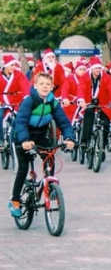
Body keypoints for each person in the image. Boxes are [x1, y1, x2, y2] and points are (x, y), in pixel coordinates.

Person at [8, 73, 75, 217]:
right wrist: (25, 140)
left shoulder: (53, 103)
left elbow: (64, 122)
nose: (45, 86)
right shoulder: (29, 101)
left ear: (52, 87)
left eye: (48, 84)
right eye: (42, 84)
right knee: (22, 167)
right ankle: (15, 200)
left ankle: (49, 186)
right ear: (35, 86)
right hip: (21, 135)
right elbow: (20, 122)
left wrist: (69, 138)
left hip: (39, 135)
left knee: (50, 156)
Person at [78, 57, 111, 150]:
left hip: (103, 104)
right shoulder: (85, 77)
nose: (98, 70)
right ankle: (85, 139)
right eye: (95, 68)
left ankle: (102, 146)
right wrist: (81, 100)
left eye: (99, 68)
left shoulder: (106, 77)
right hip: (88, 102)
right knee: (88, 114)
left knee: (105, 122)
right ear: (91, 68)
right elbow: (81, 88)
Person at [0, 54, 31, 147]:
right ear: (5, 65)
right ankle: (1, 140)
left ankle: (23, 137)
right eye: (11, 65)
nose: (14, 67)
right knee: (0, 116)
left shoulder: (18, 74)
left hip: (17, 100)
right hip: (2, 100)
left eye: (14, 65)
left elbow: (25, 85)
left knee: (22, 117)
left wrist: (26, 97)